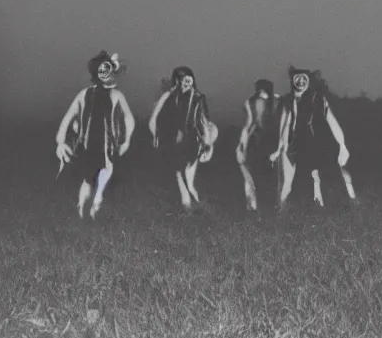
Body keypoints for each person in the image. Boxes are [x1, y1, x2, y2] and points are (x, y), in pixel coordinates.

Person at [55, 51, 136, 220]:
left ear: (113, 71)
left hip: (107, 143)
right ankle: (84, 205)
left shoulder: (116, 95)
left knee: (104, 170)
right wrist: (60, 141)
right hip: (88, 143)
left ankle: (95, 199)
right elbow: (69, 115)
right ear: (95, 74)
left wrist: (127, 140)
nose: (104, 72)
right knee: (91, 176)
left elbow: (129, 118)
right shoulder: (85, 94)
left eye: (107, 68)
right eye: (100, 69)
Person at [270, 67, 357, 211]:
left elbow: (332, 121)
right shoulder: (288, 102)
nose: (301, 81)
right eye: (298, 78)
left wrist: (342, 145)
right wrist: (280, 148)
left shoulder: (318, 99)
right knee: (287, 183)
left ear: (309, 82)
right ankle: (280, 213)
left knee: (318, 175)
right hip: (291, 145)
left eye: (304, 79)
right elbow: (285, 126)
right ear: (293, 81)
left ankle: (331, 206)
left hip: (312, 143)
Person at [149, 66, 218, 210]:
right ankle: (189, 205)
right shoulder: (170, 96)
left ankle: (196, 203)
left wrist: (208, 145)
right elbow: (155, 117)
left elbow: (205, 122)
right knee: (179, 172)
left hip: (193, 140)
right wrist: (156, 135)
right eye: (183, 80)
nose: (187, 82)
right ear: (177, 81)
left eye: (189, 79)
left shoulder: (198, 97)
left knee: (186, 175)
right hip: (174, 140)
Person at [235, 79, 281, 213]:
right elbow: (249, 124)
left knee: (272, 177)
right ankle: (254, 209)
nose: (262, 93)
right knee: (253, 176)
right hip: (256, 142)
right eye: (260, 90)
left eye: (264, 90)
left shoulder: (277, 101)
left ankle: (271, 208)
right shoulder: (251, 102)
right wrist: (241, 144)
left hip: (272, 141)